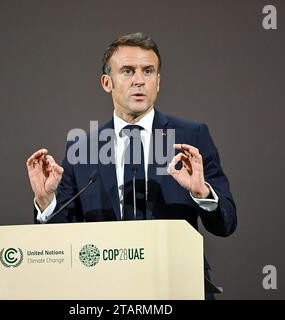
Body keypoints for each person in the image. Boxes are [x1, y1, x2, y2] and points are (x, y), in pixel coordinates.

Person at [26, 33, 236, 299]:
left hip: (177, 287)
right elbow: (60, 240)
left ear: (158, 81)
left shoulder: (190, 137)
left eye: (148, 71)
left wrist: (203, 194)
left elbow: (226, 224)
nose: (139, 80)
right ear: (107, 82)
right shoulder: (83, 147)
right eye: (127, 71)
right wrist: (47, 203)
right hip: (103, 291)